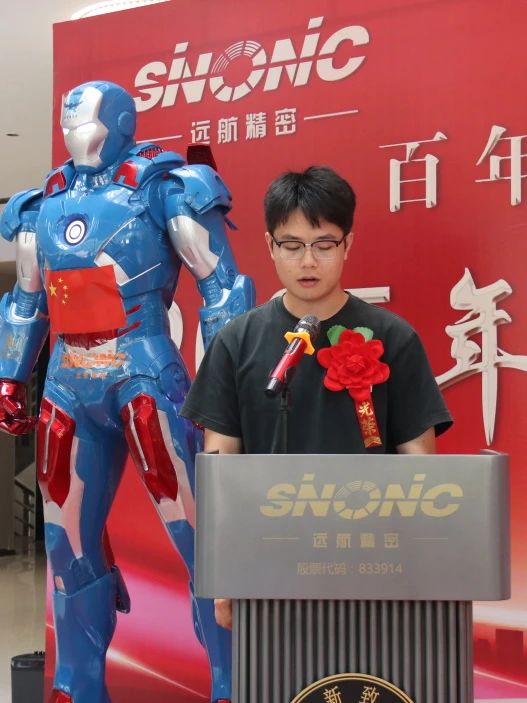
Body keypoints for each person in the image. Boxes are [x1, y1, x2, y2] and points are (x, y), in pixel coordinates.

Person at [0, 80, 254, 703]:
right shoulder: (41, 206)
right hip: (67, 382)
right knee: (65, 543)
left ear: (119, 122)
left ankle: (230, 682)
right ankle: (78, 683)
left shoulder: (167, 187)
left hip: (145, 374)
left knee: (201, 538)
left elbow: (222, 287)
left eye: (85, 120)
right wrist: (10, 374)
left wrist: (228, 386)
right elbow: (27, 299)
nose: (74, 130)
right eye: (67, 121)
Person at [181, 165, 452, 628]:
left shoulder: (394, 337)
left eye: (324, 245)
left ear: (348, 244)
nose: (308, 261)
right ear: (270, 246)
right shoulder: (236, 342)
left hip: (372, 562)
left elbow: (420, 468)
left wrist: (419, 568)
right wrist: (223, 572)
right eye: (292, 246)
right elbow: (221, 467)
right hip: (267, 563)